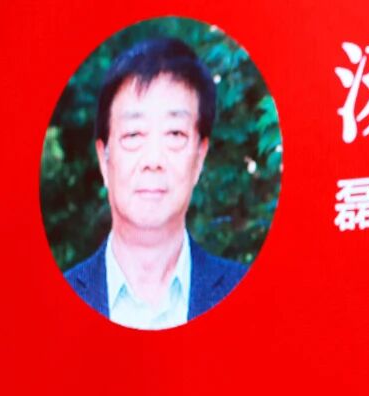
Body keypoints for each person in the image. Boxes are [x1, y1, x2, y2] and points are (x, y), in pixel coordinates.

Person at [63, 38, 246, 329]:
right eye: (134, 135)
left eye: (174, 134)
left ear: (199, 158)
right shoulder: (51, 303)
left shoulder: (247, 294)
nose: (153, 160)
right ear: (104, 159)